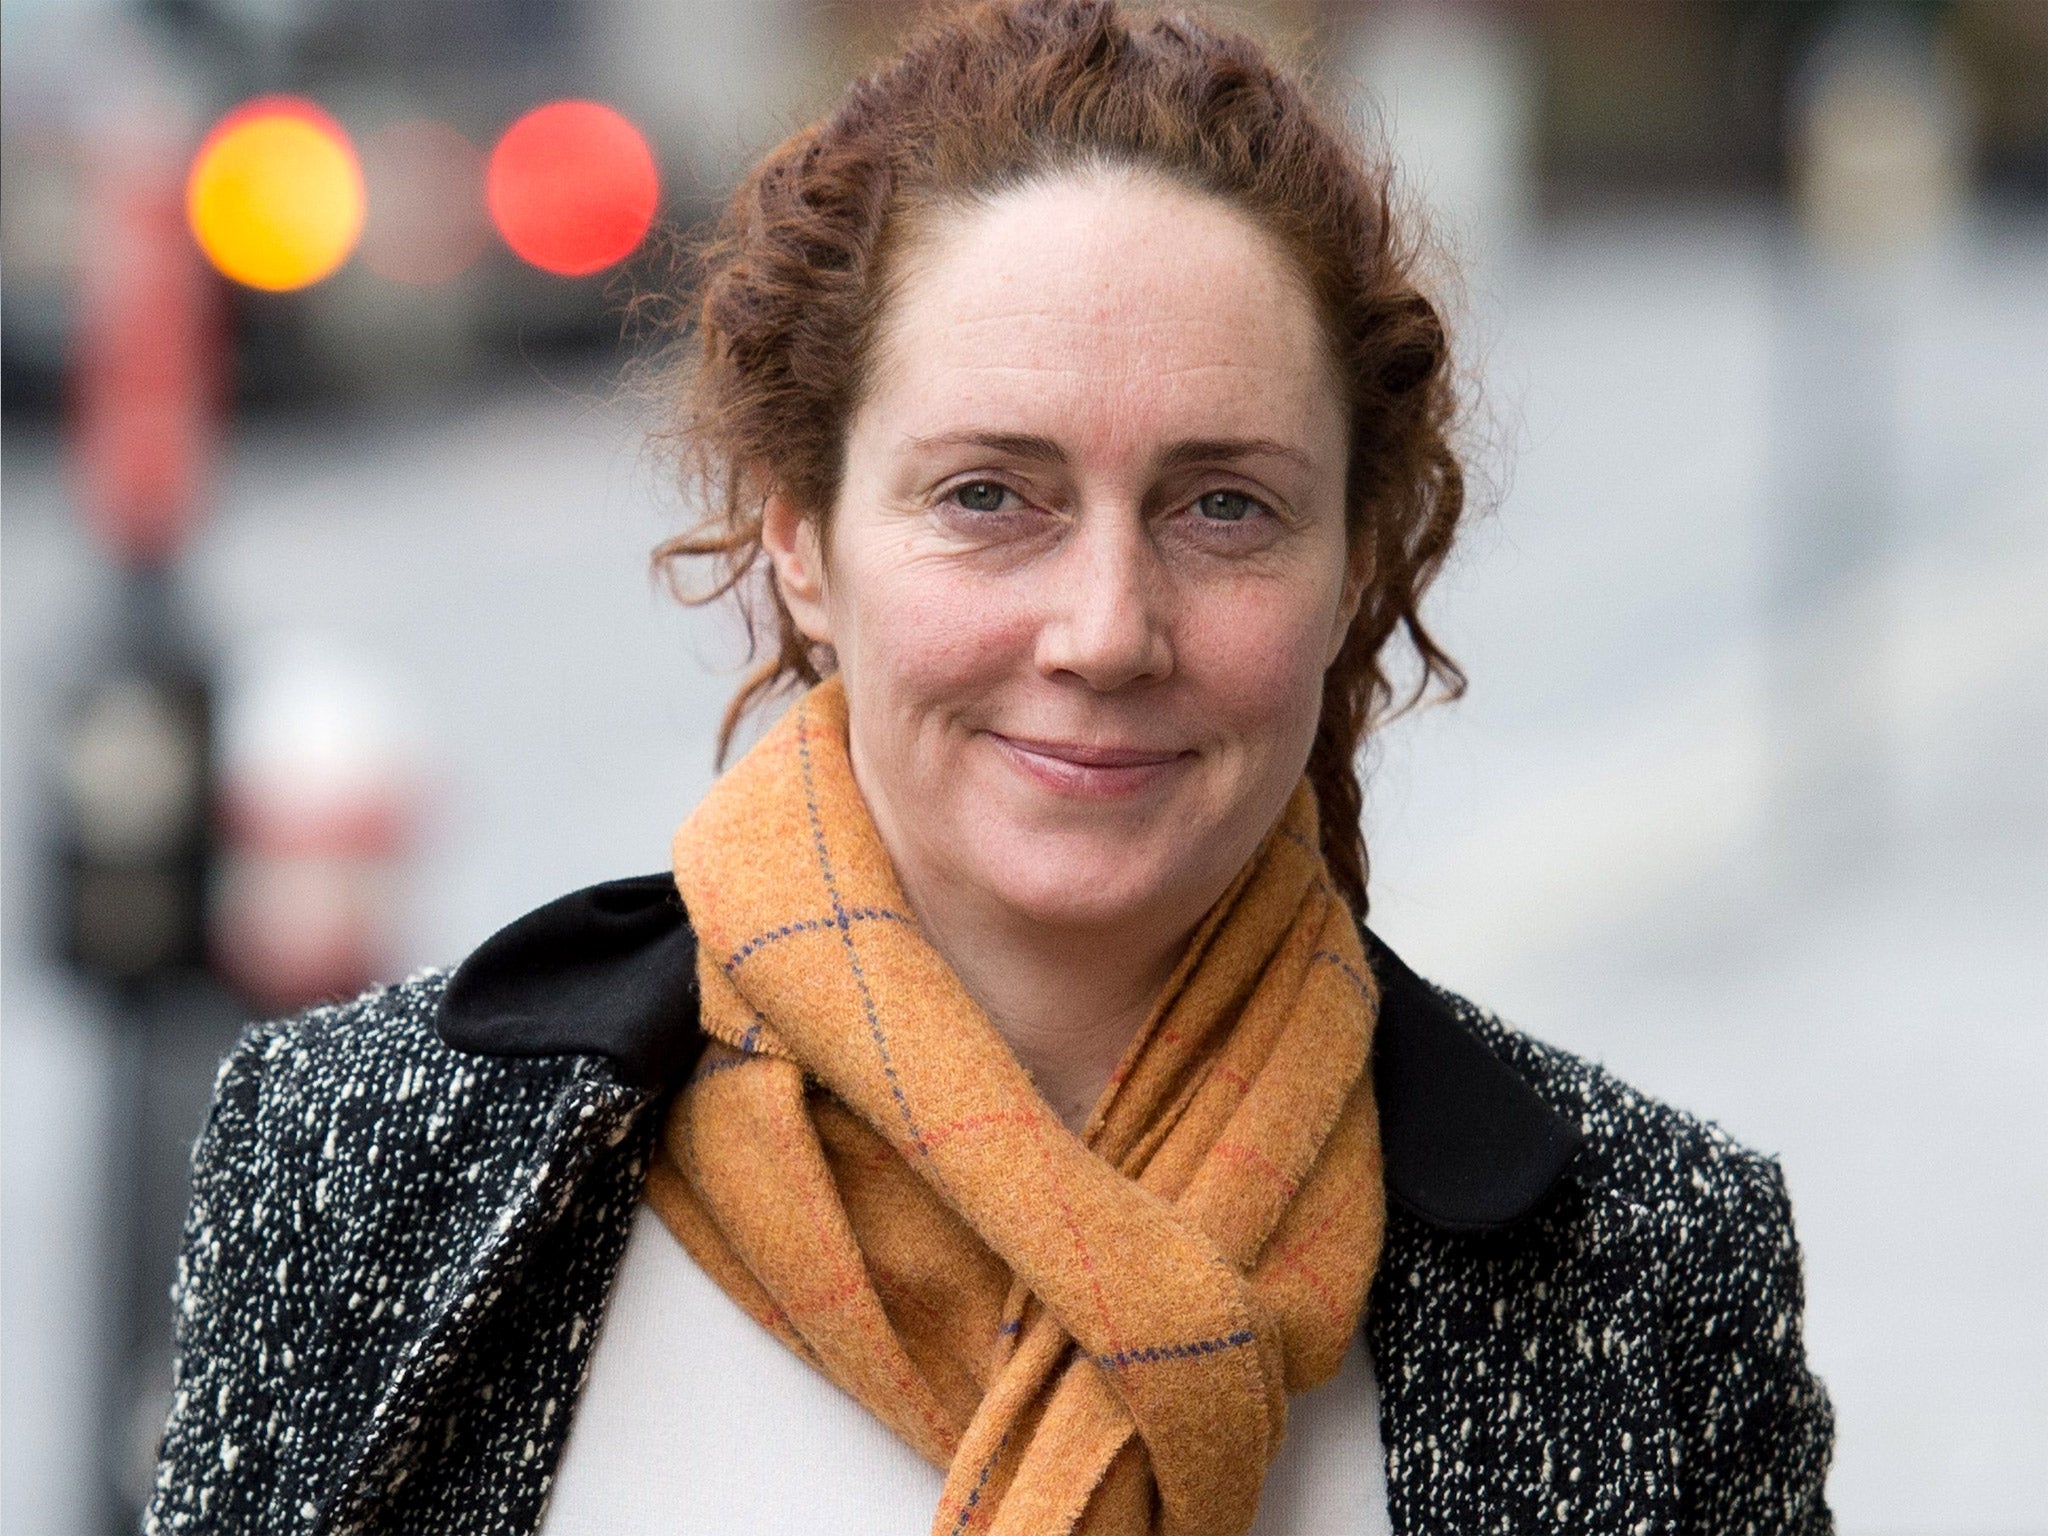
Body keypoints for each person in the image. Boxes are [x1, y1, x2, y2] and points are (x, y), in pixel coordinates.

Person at [144, 2, 1835, 1532]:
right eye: (988, 496)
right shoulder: (369, 1173)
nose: (1107, 629)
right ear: (803, 538)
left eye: (1223, 506)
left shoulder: (1646, 1273)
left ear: (1356, 565)